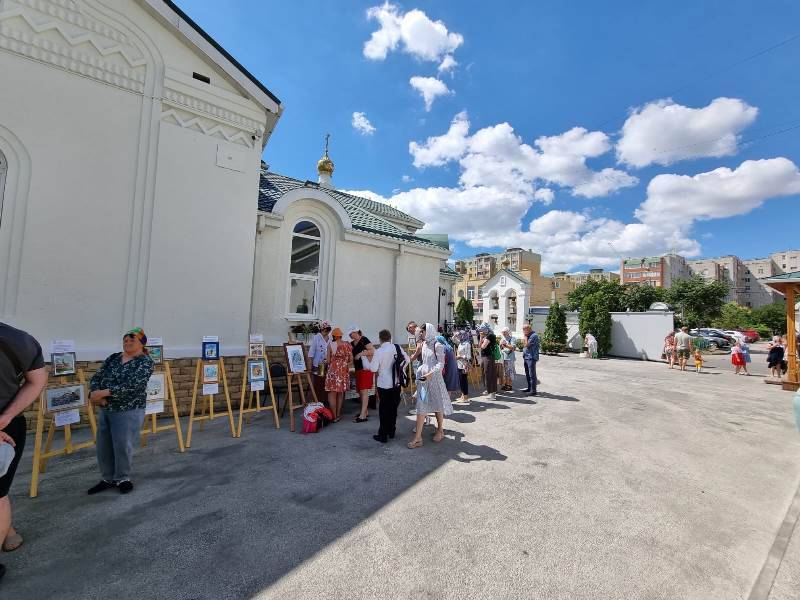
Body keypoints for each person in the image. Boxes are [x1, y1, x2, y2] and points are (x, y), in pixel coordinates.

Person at [0, 323, 47, 579]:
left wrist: (5, 417)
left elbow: (37, 380)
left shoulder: (17, 339)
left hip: (6, 426)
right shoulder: (20, 338)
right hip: (8, 424)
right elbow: (37, 380)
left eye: (132, 339)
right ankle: (7, 531)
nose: (127, 342)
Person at [87, 328, 154, 495]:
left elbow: (134, 385)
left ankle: (122, 477)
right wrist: (95, 394)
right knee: (104, 445)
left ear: (141, 344)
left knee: (122, 444)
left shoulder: (145, 362)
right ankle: (107, 478)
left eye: (132, 340)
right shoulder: (113, 358)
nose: (127, 343)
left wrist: (105, 393)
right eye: (125, 340)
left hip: (128, 409)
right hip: (106, 407)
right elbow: (97, 376)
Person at [407, 323, 454, 448]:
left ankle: (440, 430)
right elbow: (423, 361)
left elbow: (441, 364)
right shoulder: (423, 345)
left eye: (423, 331)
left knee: (438, 405)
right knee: (421, 406)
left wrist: (430, 374)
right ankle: (418, 438)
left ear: (429, 331)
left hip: (435, 380)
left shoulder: (438, 345)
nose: (421, 333)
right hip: (423, 380)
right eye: (421, 332)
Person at [361, 330, 409, 443]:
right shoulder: (397, 347)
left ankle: (383, 435)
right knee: (393, 409)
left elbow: (373, 369)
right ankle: (391, 431)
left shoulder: (379, 351)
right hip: (396, 383)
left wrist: (364, 358)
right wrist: (401, 369)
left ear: (380, 339)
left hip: (384, 384)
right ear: (390, 338)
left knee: (384, 410)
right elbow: (407, 360)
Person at [325, 328, 352, 422]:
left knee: (331, 394)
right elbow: (350, 360)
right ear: (341, 335)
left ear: (334, 336)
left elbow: (328, 361)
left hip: (333, 370)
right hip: (343, 370)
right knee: (340, 393)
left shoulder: (331, 345)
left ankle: (333, 415)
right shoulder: (347, 344)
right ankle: (338, 415)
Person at [348, 327, 374, 423]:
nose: (350, 335)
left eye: (351, 333)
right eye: (349, 334)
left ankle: (363, 415)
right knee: (359, 390)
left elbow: (372, 351)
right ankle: (365, 411)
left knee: (364, 391)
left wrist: (361, 354)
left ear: (356, 332)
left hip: (366, 368)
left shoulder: (364, 339)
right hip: (358, 369)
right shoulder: (351, 343)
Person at [308, 321, 331, 404]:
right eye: (325, 330)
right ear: (321, 329)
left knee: (326, 383)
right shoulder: (316, 338)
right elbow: (311, 353)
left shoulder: (331, 338)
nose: (326, 332)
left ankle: (324, 400)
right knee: (317, 384)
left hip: (327, 365)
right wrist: (310, 367)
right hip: (317, 365)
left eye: (328, 330)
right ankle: (316, 401)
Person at [479, 324, 498, 399]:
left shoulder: (490, 335)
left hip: (489, 357)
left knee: (490, 374)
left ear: (486, 329)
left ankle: (492, 393)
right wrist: (481, 337)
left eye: (482, 329)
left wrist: (482, 338)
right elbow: (479, 345)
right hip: (484, 357)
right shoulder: (485, 335)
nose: (481, 331)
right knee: (485, 373)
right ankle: (488, 389)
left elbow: (483, 346)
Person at [521, 323, 540, 396]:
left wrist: (525, 337)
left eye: (524, 329)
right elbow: (524, 344)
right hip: (526, 357)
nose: (523, 331)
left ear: (528, 329)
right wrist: (525, 337)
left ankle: (533, 390)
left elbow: (526, 345)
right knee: (527, 374)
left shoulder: (534, 336)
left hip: (531, 357)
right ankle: (529, 388)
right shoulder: (528, 335)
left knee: (532, 374)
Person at [454, 330, 472, 405]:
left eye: (460, 335)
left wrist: (459, 357)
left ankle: (465, 397)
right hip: (459, 364)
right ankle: (463, 395)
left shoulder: (467, 344)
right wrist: (455, 335)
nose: (459, 336)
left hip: (464, 365)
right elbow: (453, 339)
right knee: (461, 381)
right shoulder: (461, 343)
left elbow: (468, 356)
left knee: (463, 381)